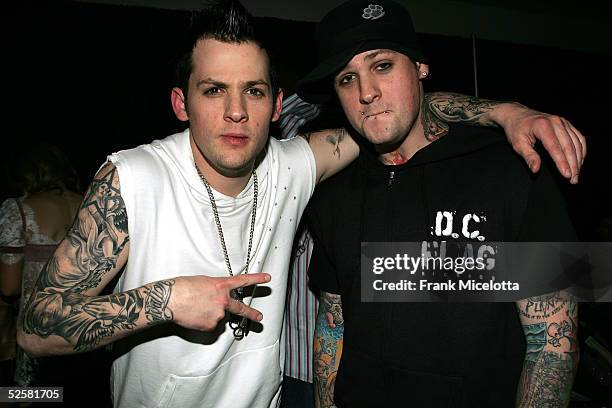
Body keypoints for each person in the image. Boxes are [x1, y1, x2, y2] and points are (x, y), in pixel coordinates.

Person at [17, 1, 583, 407]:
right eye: (214, 90)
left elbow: (389, 112)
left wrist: (505, 113)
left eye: (255, 91)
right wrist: (167, 300)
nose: (236, 111)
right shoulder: (134, 177)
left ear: (276, 101)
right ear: (181, 102)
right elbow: (33, 327)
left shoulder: (295, 164)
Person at [297, 1, 580, 407]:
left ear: (420, 67)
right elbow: (332, 326)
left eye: (382, 66)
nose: (367, 92)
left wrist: (508, 112)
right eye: (347, 78)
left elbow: (552, 345)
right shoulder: (332, 190)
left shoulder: (510, 170)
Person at [0, 141, 83, 387]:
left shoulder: (18, 210)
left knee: (25, 397)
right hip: (87, 336)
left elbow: (9, 288)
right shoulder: (91, 202)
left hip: (39, 336)